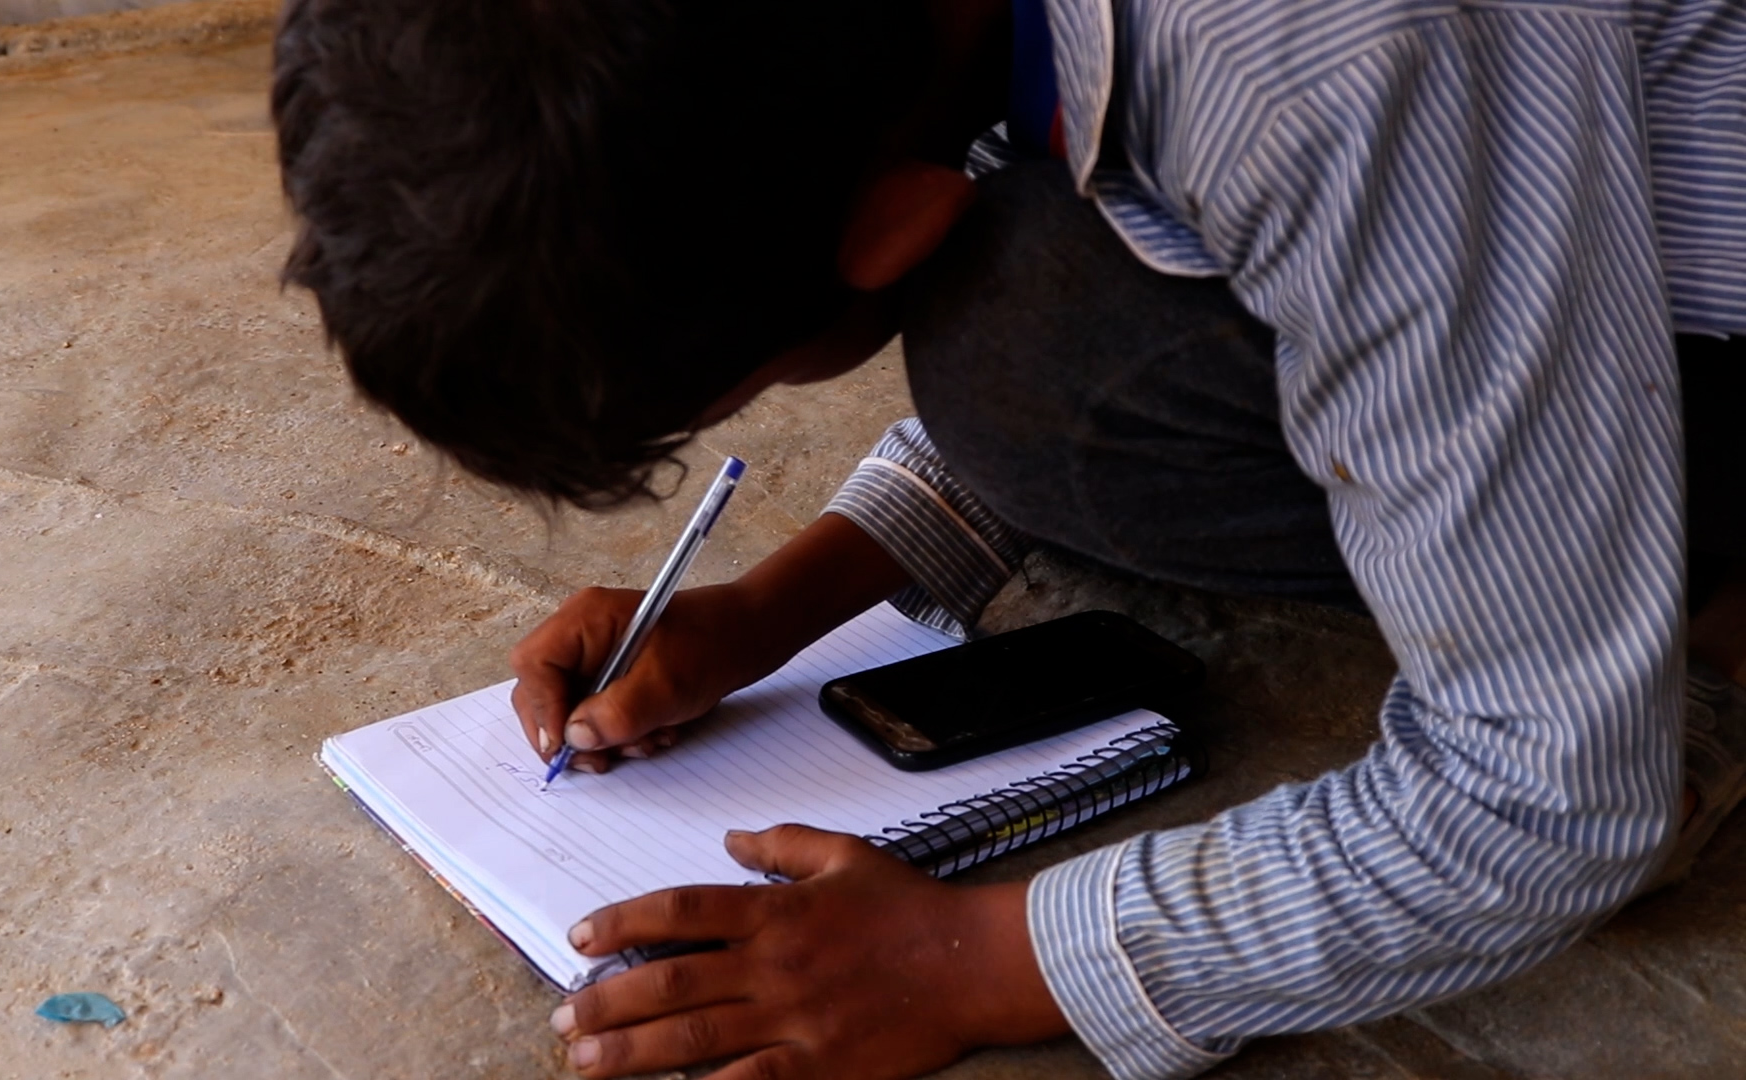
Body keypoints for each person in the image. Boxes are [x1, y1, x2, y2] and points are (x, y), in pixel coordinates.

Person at [270, 0, 1746, 1076]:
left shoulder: (1334, 68)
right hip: (1542, 140)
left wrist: (980, 961)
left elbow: (1547, 799)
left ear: (901, 229)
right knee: (1025, 356)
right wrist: (783, 605)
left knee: (1022, 346)